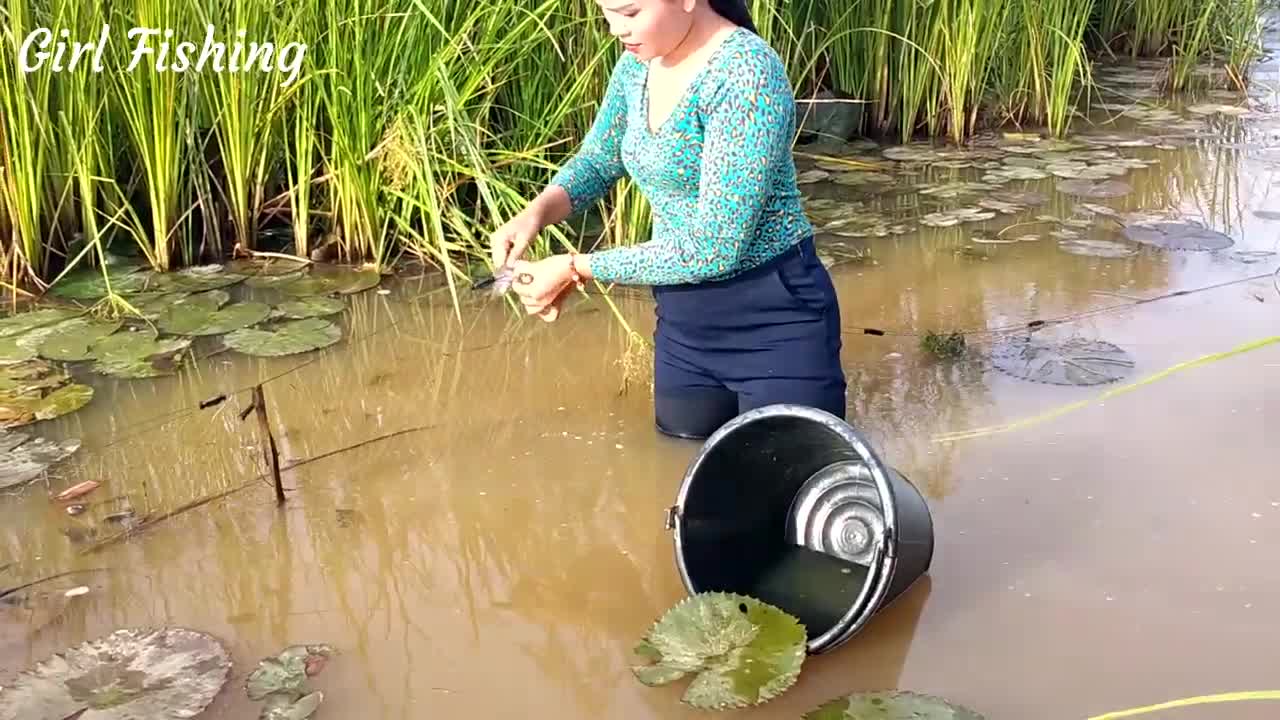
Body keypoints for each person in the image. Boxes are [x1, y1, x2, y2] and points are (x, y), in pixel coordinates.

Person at [489, 0, 846, 440]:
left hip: (775, 320)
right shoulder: (638, 65)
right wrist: (537, 212)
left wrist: (574, 268)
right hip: (683, 325)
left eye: (631, 12)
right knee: (683, 478)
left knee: (789, 485)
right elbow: (600, 160)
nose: (617, 29)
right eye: (607, 12)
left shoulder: (745, 73)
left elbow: (713, 248)